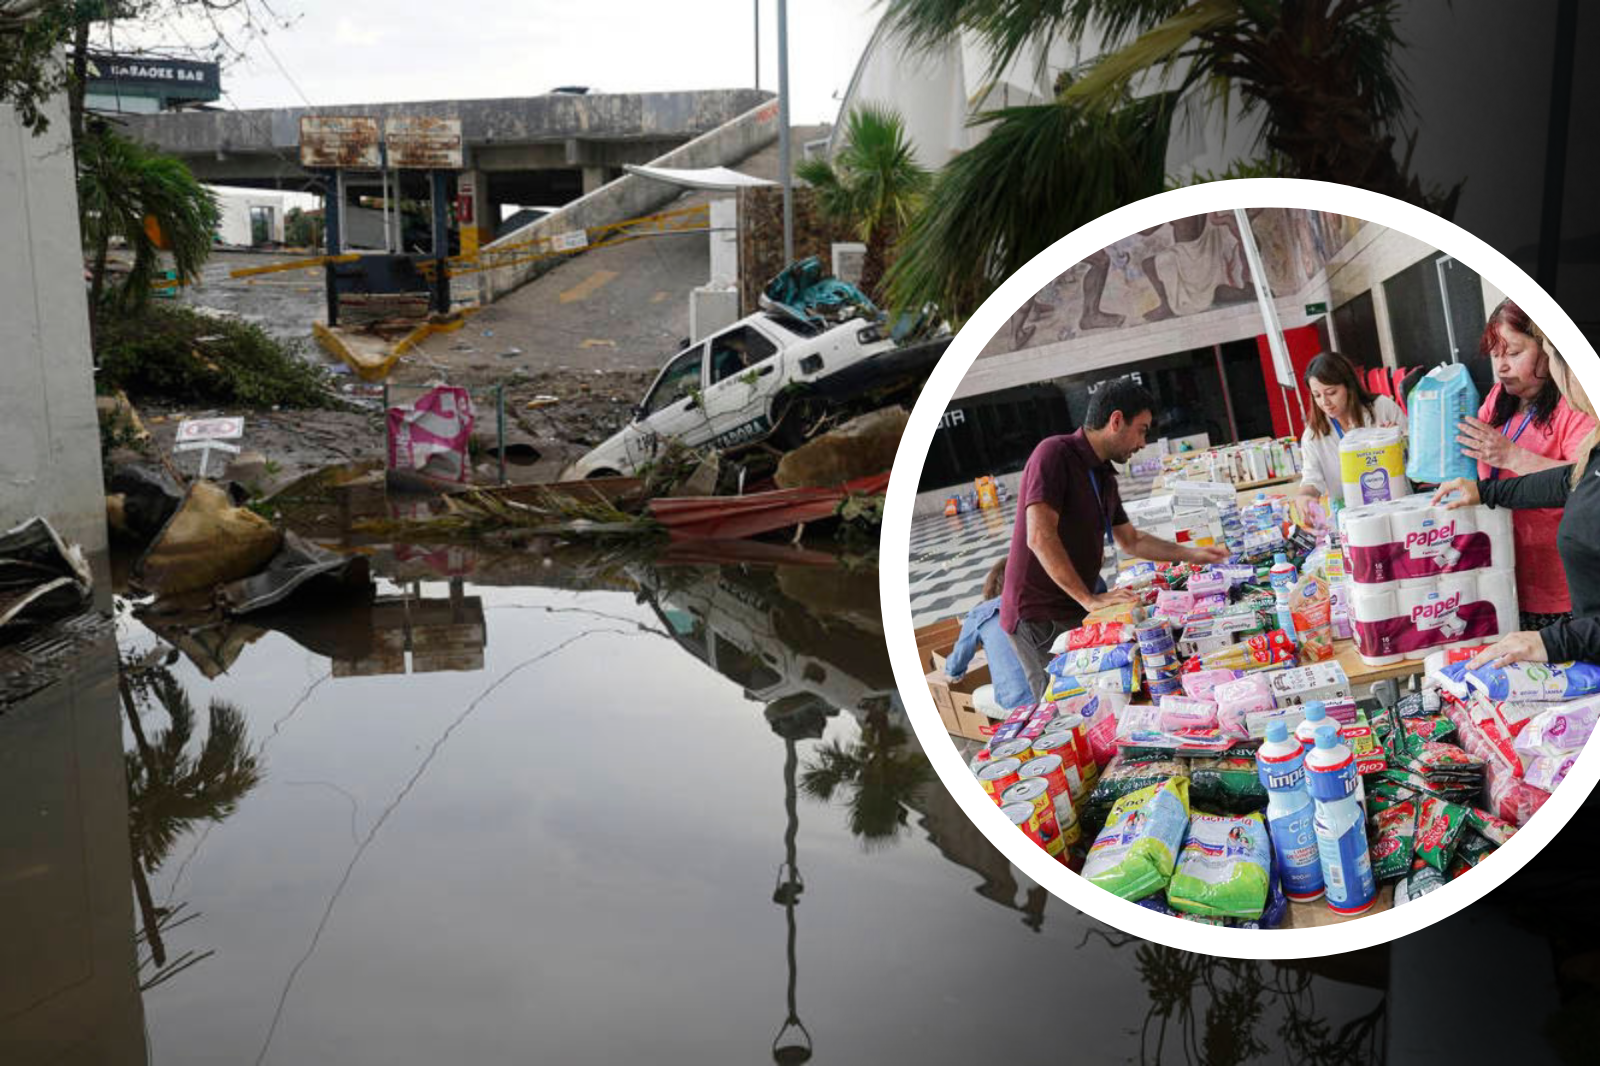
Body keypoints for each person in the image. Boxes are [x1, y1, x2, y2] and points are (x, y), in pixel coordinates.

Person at [1000, 376, 1230, 701]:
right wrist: (1088, 598)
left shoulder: (1102, 474)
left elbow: (1132, 540)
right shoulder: (1053, 454)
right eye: (1142, 429)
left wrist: (1192, 554)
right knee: (1064, 707)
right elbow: (1039, 536)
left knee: (1095, 698)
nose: (1142, 443)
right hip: (1039, 614)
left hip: (1073, 605)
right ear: (1116, 420)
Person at [1431, 328, 1600, 668]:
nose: (1502, 367)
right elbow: (1570, 479)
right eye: (1496, 355)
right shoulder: (1593, 454)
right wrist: (1484, 491)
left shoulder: (1574, 416)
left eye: (1553, 358)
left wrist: (1553, 641)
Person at [1455, 299, 1596, 632]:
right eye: (1495, 355)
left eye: (1514, 353)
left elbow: (1586, 486)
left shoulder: (1575, 407)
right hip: (1506, 575)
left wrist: (1513, 457)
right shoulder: (1497, 401)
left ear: (1547, 349)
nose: (1501, 367)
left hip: (1563, 586)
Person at [1295, 351, 1407, 504]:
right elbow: (1311, 478)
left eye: (1331, 392)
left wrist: (1398, 441)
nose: (1325, 402)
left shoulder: (1382, 408)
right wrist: (1305, 497)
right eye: (1317, 395)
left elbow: (1417, 456)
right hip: (1352, 514)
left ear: (1349, 386)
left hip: (1396, 503)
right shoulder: (1314, 435)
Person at [944, 561, 1032, 711]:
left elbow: (956, 664)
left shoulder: (980, 614)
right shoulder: (1038, 602)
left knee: (978, 696)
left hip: (1018, 701)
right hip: (1053, 691)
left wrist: (952, 673)